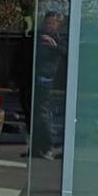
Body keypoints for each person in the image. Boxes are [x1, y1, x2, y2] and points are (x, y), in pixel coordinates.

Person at [31, 11, 65, 159]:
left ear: (57, 25)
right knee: (35, 115)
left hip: (49, 80)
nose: (49, 26)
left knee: (43, 114)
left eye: (52, 23)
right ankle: (37, 146)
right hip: (34, 79)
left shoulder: (59, 39)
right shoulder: (37, 36)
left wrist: (55, 46)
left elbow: (66, 53)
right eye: (47, 23)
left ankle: (47, 145)